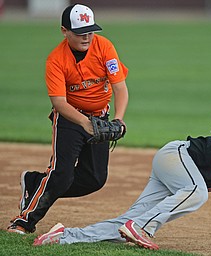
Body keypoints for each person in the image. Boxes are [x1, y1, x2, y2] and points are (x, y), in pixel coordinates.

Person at [33, 95, 211, 253]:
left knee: (125, 226)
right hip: (176, 157)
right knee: (197, 192)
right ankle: (141, 227)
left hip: (180, 178)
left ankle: (64, 236)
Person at [7, 4, 129, 234]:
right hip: (69, 120)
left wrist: (118, 120)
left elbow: (120, 88)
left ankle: (35, 183)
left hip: (100, 117)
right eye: (80, 32)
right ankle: (24, 221)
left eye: (90, 31)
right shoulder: (56, 59)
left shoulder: (104, 47)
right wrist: (86, 124)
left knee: (95, 179)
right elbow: (59, 103)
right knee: (61, 175)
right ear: (64, 31)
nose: (86, 37)